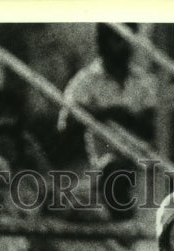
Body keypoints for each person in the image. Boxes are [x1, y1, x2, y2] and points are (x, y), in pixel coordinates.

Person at [57, 23, 156, 173]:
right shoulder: (86, 81)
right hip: (107, 163)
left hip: (146, 158)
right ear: (103, 42)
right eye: (118, 39)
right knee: (117, 170)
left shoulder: (143, 79)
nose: (125, 45)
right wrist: (105, 114)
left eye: (129, 38)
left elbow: (155, 125)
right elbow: (65, 127)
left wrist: (131, 118)